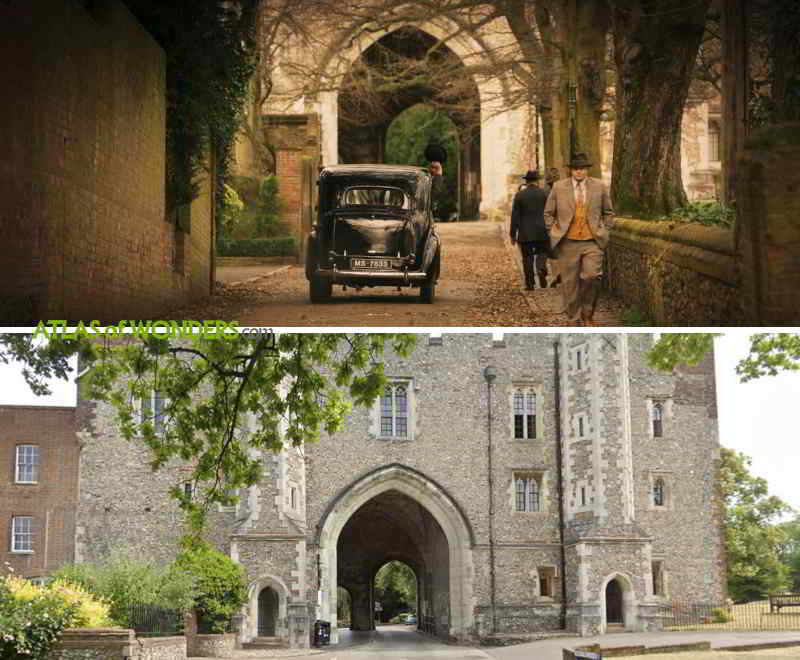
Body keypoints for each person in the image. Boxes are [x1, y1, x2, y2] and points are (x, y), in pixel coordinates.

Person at [543, 153, 614, 326]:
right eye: (575, 169)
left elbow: (608, 212)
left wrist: (604, 230)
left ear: (587, 170)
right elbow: (548, 213)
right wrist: (554, 231)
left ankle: (587, 314)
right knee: (570, 283)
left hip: (593, 241)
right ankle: (573, 318)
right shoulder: (559, 187)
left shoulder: (599, 186)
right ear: (570, 170)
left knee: (592, 276)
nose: (579, 172)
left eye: (582, 169)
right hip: (567, 242)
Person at [510, 169, 550, 290]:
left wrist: (512, 234)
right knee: (543, 252)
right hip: (542, 230)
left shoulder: (519, 195)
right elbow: (550, 212)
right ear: (537, 181)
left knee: (527, 257)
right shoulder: (545, 194)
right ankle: (541, 267)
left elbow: (515, 216)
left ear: (526, 181)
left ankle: (530, 283)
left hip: (525, 232)